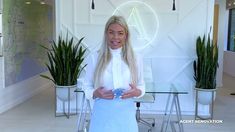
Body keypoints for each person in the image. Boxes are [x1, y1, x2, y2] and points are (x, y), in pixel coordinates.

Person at [83, 15, 145, 132]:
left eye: (120, 33)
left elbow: (141, 85)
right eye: (111, 32)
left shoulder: (136, 58)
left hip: (126, 117)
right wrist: (95, 93)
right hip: (101, 116)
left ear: (126, 35)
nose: (115, 37)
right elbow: (86, 86)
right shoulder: (94, 57)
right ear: (106, 34)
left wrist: (138, 92)